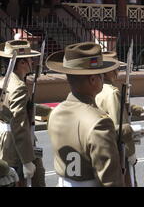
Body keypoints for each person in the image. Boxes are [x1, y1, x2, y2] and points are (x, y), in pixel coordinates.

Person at [46, 42, 124, 186]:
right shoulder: (99, 122)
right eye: (101, 75)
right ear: (93, 79)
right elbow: (110, 180)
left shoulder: (56, 112)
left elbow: (79, 137)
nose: (103, 78)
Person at [95, 51, 144, 186]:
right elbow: (120, 127)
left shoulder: (97, 89)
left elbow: (123, 106)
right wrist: (130, 153)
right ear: (107, 71)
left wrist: (139, 109)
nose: (117, 72)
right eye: (115, 69)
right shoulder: (112, 93)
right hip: (118, 151)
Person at [0, 40, 50, 186]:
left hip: (8, 141)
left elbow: (25, 107)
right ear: (22, 63)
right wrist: (27, 160)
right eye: (30, 59)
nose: (33, 62)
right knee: (29, 181)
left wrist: (50, 111)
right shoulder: (19, 87)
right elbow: (19, 124)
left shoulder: (5, 82)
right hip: (19, 146)